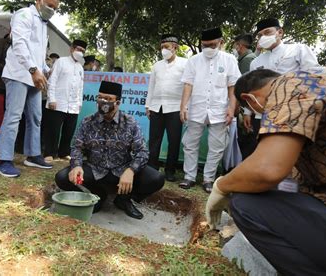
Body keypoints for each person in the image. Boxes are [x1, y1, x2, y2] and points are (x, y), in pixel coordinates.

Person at [205, 67, 326, 276]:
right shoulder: (324, 79)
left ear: (250, 99)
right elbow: (289, 180)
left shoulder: (291, 84)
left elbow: (266, 170)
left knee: (245, 206)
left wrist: (221, 186)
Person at [55, 81, 165, 219]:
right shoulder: (87, 122)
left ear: (118, 102)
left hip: (121, 169)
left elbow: (142, 152)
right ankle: (98, 195)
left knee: (156, 178)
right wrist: (76, 165)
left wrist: (131, 171)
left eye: (108, 99)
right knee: (62, 177)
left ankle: (124, 199)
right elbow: (77, 147)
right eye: (100, 97)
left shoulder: (130, 122)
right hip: (94, 169)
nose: (103, 101)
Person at [0, 0, 60, 178]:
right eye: (49, 5)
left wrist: (46, 69)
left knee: (35, 117)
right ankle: (2, 160)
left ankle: (32, 155)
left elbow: (37, 52)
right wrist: (33, 70)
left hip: (34, 76)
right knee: (14, 116)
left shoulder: (42, 23)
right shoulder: (24, 14)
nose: (51, 10)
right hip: (18, 74)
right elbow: (19, 44)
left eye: (55, 8)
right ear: (38, 0)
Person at [179, 27, 241, 192]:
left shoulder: (229, 60)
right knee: (190, 144)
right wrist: (183, 106)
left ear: (221, 42)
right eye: (204, 45)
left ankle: (208, 179)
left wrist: (231, 108)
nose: (208, 49)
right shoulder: (194, 60)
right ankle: (189, 177)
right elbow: (188, 84)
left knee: (217, 146)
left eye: (212, 45)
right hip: (196, 108)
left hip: (219, 110)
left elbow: (232, 87)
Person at [243, 17, 319, 146]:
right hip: (263, 116)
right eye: (260, 35)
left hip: (293, 113)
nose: (263, 37)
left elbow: (314, 78)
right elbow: (252, 89)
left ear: (280, 32)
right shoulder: (256, 62)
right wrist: (247, 113)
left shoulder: (298, 50)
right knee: (264, 151)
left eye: (267, 32)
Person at [145, 34, 187, 182]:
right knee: (154, 140)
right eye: (162, 47)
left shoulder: (185, 64)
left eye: (167, 47)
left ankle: (170, 171)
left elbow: (188, 87)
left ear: (175, 48)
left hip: (175, 108)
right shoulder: (157, 65)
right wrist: (148, 105)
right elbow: (151, 86)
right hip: (157, 107)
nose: (164, 50)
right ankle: (151, 168)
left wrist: (185, 107)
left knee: (174, 141)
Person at [44, 39, 87, 163]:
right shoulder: (61, 62)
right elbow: (52, 80)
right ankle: (49, 153)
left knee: (69, 130)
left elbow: (80, 87)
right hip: (58, 102)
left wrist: (79, 103)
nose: (80, 52)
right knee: (53, 129)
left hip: (73, 105)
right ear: (72, 48)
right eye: (79, 49)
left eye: (83, 51)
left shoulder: (80, 67)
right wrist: (51, 99)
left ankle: (64, 152)